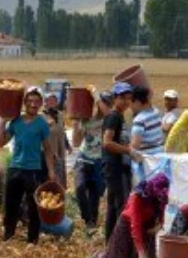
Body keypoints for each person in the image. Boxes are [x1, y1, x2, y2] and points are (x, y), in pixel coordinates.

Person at [0, 88, 58, 244]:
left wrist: (51, 171)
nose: (33, 104)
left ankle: (32, 241)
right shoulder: (16, 121)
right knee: (11, 205)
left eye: (36, 102)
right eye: (30, 101)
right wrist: (2, 121)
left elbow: (47, 149)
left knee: (33, 208)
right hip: (15, 168)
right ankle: (8, 236)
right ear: (24, 103)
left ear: (40, 104)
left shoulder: (42, 124)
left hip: (34, 171)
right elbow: (1, 142)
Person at [90, 174, 171, 258]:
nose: (159, 197)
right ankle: (99, 256)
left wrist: (158, 227)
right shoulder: (137, 196)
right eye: (158, 195)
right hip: (128, 224)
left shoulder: (162, 197)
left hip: (148, 227)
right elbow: (135, 225)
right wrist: (141, 255)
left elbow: (161, 213)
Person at [101, 82, 138, 241]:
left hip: (117, 164)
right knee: (119, 204)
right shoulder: (113, 116)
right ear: (115, 98)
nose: (126, 102)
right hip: (113, 165)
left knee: (113, 205)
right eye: (122, 98)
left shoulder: (120, 116)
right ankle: (117, 242)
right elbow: (107, 142)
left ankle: (110, 241)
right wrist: (128, 151)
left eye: (129, 99)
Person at [71, 90, 111, 233]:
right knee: (80, 187)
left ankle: (92, 223)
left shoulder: (110, 121)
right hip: (84, 157)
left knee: (95, 193)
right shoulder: (87, 119)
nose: (104, 105)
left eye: (107, 103)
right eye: (103, 102)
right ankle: (87, 219)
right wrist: (76, 124)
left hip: (100, 161)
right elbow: (76, 143)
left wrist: (96, 94)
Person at [129, 86, 165, 183]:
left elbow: (135, 145)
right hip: (160, 157)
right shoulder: (156, 111)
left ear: (137, 102)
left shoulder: (139, 120)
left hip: (147, 162)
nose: (130, 106)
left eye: (131, 103)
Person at [43, 94, 69, 187]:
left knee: (60, 174)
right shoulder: (41, 116)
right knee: (50, 174)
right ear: (45, 102)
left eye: (53, 100)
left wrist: (67, 145)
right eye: (49, 100)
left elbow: (62, 131)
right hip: (48, 150)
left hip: (60, 149)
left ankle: (60, 192)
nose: (51, 103)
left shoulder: (60, 115)